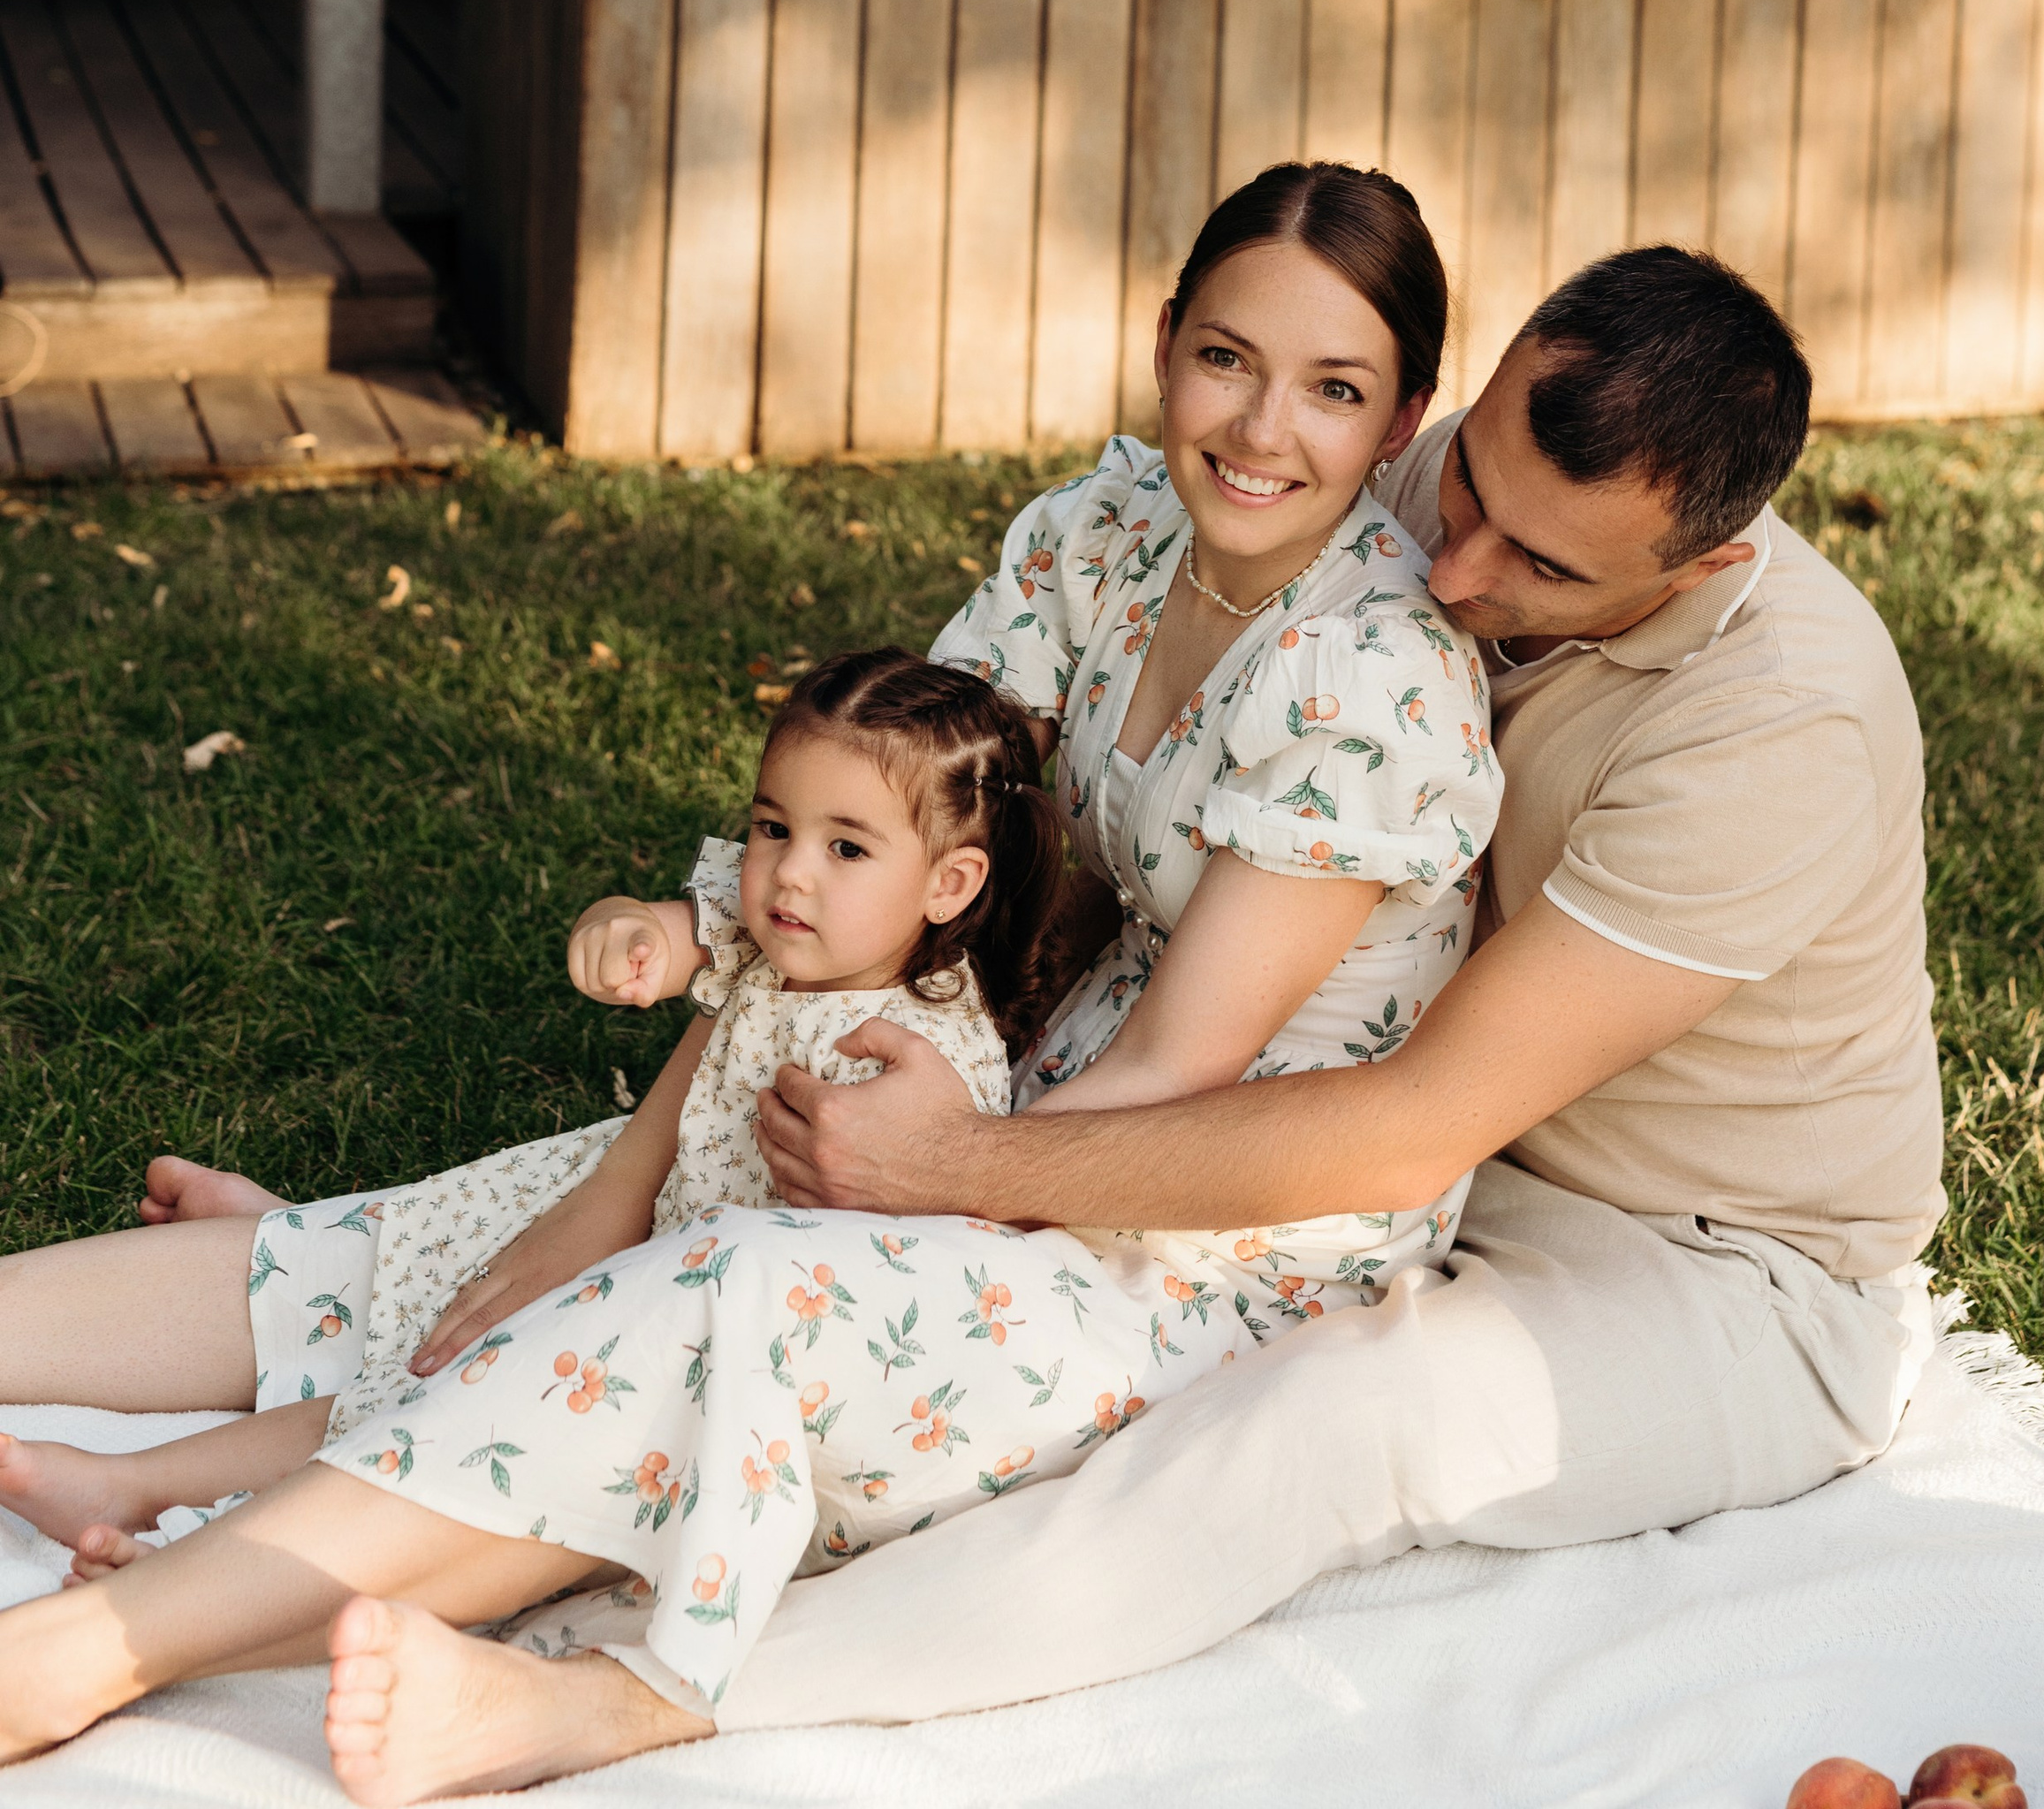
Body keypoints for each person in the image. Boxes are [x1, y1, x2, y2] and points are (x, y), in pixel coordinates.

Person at [251, 234, 1942, 1798]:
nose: (1455, 558)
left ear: (1708, 559)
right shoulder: (1415, 480)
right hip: (1418, 1137)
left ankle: (633, 1692)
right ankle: (363, 1349)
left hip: (1706, 1256)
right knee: (836, 1185)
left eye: (1539, 561)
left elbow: (1409, 1124)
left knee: (1327, 1416)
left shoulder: (1783, 726)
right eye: (1469, 480)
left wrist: (951, 1169)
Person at [0, 160, 1502, 1788]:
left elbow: (1173, 1075)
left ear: (1403, 417)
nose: (1262, 427)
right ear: (1164, 343)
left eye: (1333, 388)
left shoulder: (1375, 676)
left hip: (1202, 1230)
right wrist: (676, 1052)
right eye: (1225, 358)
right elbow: (897, 804)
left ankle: (93, 1648)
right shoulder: (1117, 527)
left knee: (717, 1291)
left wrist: (921, 1171)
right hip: (1025, 1087)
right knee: (544, 1206)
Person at [0, 645, 1044, 1565]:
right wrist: (626, 933)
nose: (789, 873)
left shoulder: (918, 1058)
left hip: (679, 1308)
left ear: (949, 883)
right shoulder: (782, 933)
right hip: (633, 1210)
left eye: (846, 847)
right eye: (773, 825)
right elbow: (667, 924)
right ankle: (296, 1233)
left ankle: (141, 1483)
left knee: (432, 1387)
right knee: (435, 1272)